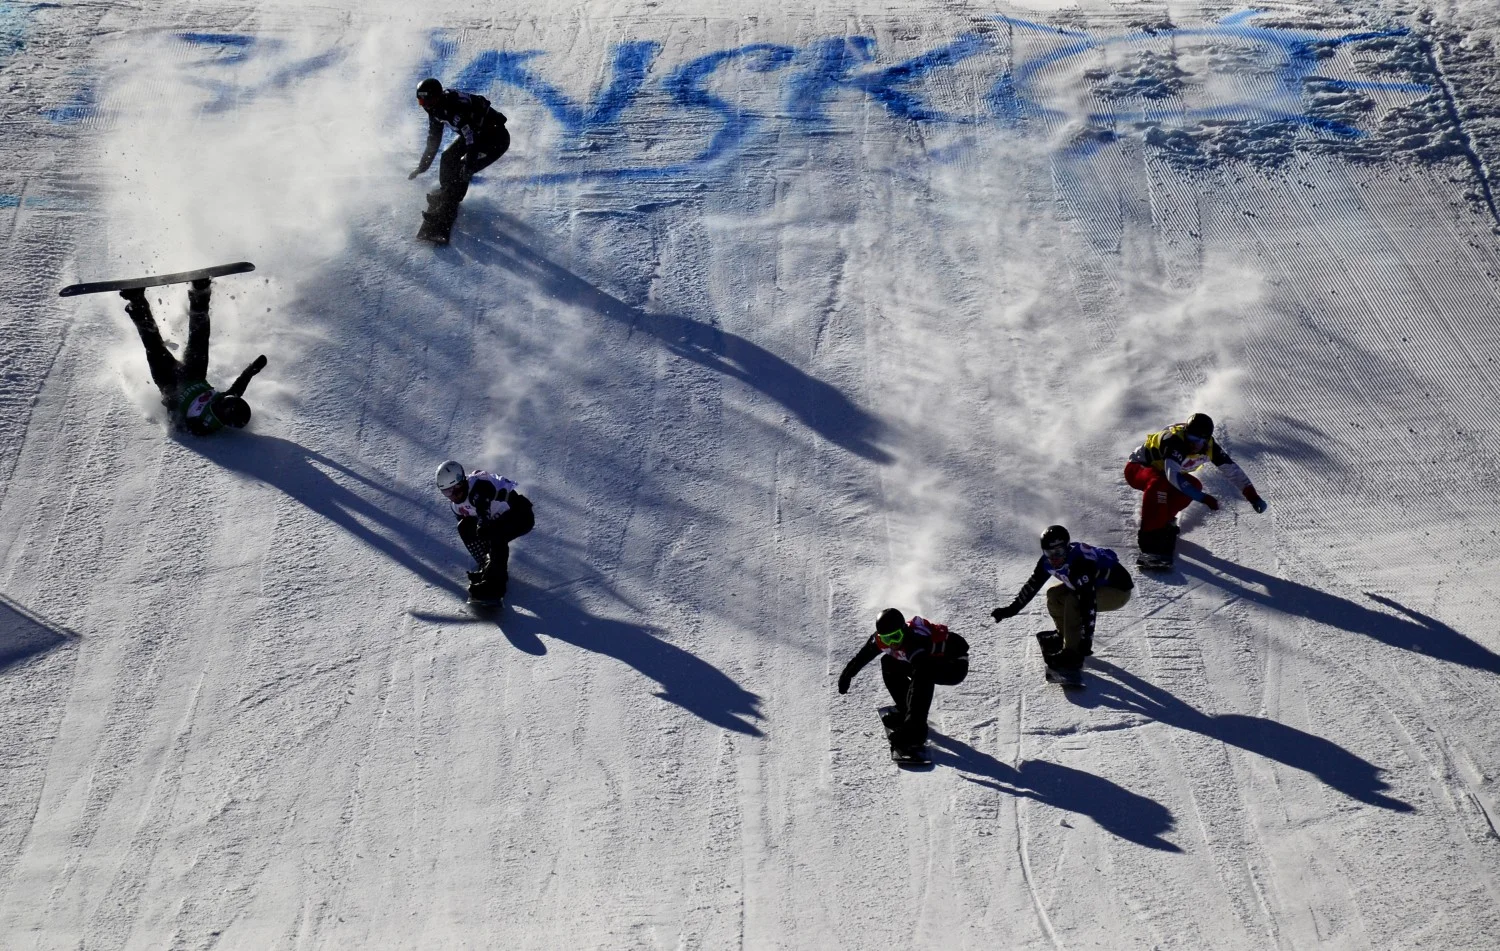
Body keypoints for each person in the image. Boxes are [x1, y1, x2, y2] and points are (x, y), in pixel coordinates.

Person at [120, 279, 266, 436]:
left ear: (224, 414)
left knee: (153, 345)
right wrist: (251, 371)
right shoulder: (225, 401)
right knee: (200, 338)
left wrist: (172, 403)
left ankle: (137, 301)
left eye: (223, 402)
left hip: (171, 382)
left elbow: (176, 427)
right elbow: (237, 389)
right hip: (195, 375)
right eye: (226, 399)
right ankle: (200, 293)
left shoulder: (204, 424)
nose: (221, 399)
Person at [1124, 412, 1268, 570]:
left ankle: (1163, 520)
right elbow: (1173, 476)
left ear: (1206, 439)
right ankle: (1149, 542)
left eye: (1198, 440)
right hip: (1138, 469)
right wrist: (1203, 498)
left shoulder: (1210, 447)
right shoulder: (1174, 441)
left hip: (1162, 473)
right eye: (1191, 438)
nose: (1194, 444)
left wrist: (1253, 496)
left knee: (1194, 485)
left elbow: (1233, 471)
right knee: (1159, 484)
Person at [991, 525, 1133, 678]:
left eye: (1058, 552)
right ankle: (1063, 635)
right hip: (1091, 586)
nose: (1054, 558)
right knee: (1054, 595)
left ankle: (1072, 653)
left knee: (1073, 600)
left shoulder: (1080, 564)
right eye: (1049, 552)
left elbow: (1088, 602)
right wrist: (1011, 609)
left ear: (1067, 548)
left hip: (1118, 591)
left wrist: (1086, 639)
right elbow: (1032, 585)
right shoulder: (1046, 562)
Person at [837, 609, 969, 754]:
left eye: (896, 637)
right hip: (931, 661)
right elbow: (863, 656)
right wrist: (847, 675)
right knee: (888, 662)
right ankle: (906, 711)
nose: (893, 643)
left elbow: (921, 686)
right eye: (888, 639)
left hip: (954, 666)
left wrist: (913, 729)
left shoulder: (913, 642)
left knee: (922, 675)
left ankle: (914, 732)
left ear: (903, 631)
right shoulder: (879, 640)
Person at [409, 77, 510, 243]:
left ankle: (445, 211)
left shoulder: (454, 109)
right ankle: (447, 193)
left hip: (495, 140)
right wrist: (422, 166)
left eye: (426, 101)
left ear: (436, 97)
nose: (424, 106)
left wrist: (468, 166)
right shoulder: (434, 109)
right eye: (420, 102)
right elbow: (434, 140)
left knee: (462, 169)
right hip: (477, 134)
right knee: (447, 157)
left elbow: (472, 141)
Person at [435, 460, 534, 603]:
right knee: (464, 527)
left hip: (520, 514)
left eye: (455, 489)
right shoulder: (456, 506)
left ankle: (495, 587)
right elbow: (470, 528)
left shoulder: (479, 486)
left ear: (462, 481)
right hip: (497, 520)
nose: (453, 496)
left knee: (495, 534)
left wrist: (482, 524)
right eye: (447, 492)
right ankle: (488, 566)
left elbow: (482, 506)